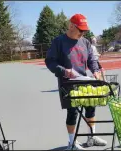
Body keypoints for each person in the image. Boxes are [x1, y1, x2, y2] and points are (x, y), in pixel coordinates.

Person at [45, 14, 107, 150]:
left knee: (91, 107)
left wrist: (95, 71)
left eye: (84, 30)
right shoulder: (59, 41)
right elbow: (50, 61)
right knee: (72, 112)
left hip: (84, 81)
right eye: (81, 30)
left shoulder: (85, 42)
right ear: (71, 26)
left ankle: (92, 137)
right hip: (67, 83)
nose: (83, 33)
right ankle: (72, 142)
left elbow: (91, 59)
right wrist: (63, 71)